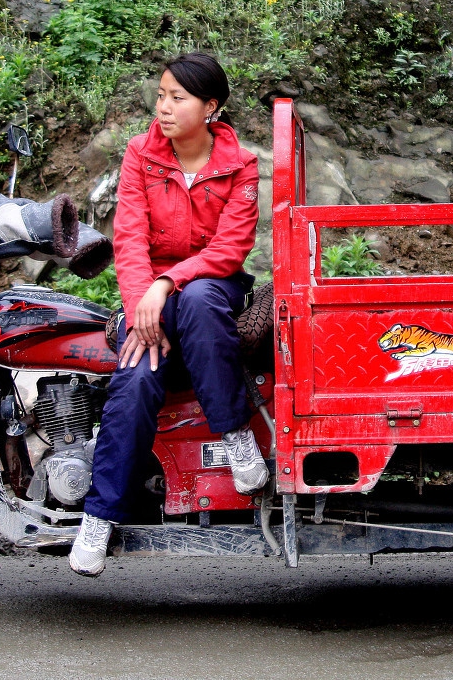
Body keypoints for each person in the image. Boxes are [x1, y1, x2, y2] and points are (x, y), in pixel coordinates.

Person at [70, 52, 267, 577]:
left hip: (211, 286)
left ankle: (235, 436)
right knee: (134, 380)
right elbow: (129, 237)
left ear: (211, 108)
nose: (163, 107)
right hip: (147, 297)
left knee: (201, 298)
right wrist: (141, 304)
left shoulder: (241, 166)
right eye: (160, 95)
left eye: (177, 98)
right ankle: (100, 514)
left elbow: (231, 248)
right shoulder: (140, 155)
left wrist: (166, 282)